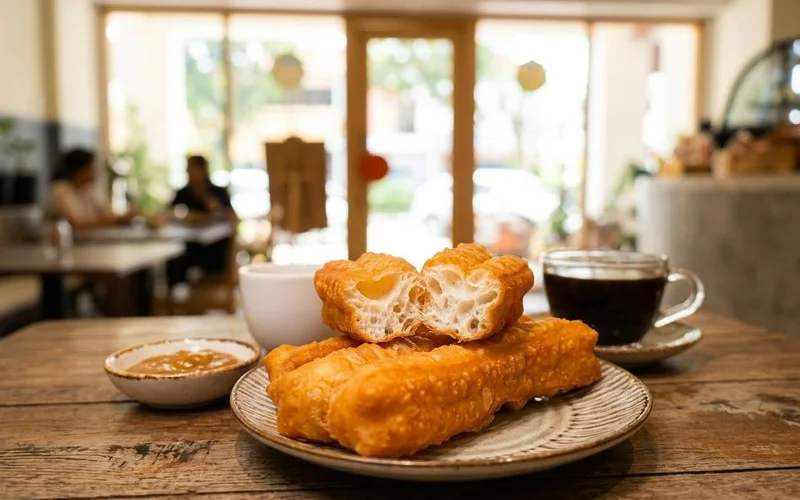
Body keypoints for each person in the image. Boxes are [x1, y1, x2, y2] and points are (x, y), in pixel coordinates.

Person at [167, 155, 238, 290]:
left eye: (193, 170)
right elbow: (168, 213)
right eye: (188, 170)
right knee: (173, 258)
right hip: (189, 245)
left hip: (214, 248)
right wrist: (186, 217)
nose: (189, 174)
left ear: (203, 170)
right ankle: (176, 299)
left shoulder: (217, 192)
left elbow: (233, 217)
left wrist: (218, 209)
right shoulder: (183, 193)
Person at [45, 148, 133, 229]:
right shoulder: (60, 189)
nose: (96, 172)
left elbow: (105, 213)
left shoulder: (88, 190)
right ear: (79, 170)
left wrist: (122, 217)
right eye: (91, 168)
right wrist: (115, 220)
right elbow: (76, 225)